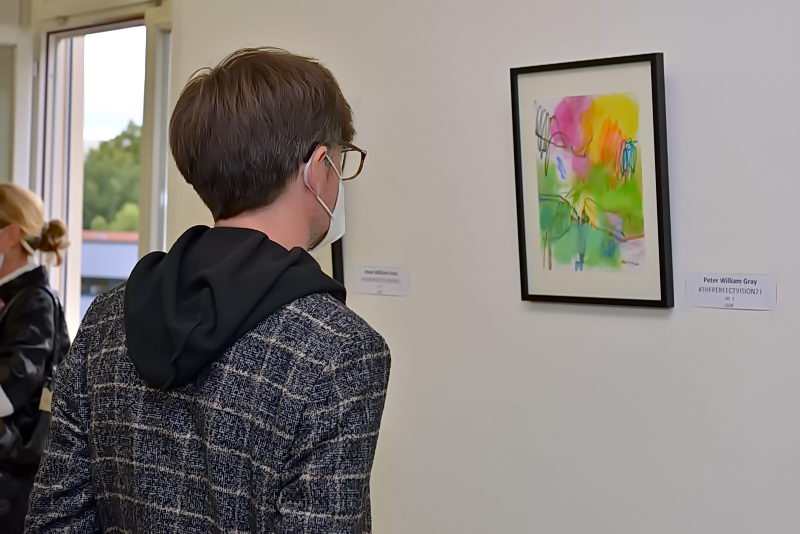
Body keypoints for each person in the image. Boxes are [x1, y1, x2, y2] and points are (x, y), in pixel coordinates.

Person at [26, 48, 391, 533]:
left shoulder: (109, 316)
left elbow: (55, 520)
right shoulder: (341, 349)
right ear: (316, 167)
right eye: (341, 162)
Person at [0, 184, 69, 534]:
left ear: (11, 234)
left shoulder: (33, 302)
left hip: (11, 482)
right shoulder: (15, 298)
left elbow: (6, 395)